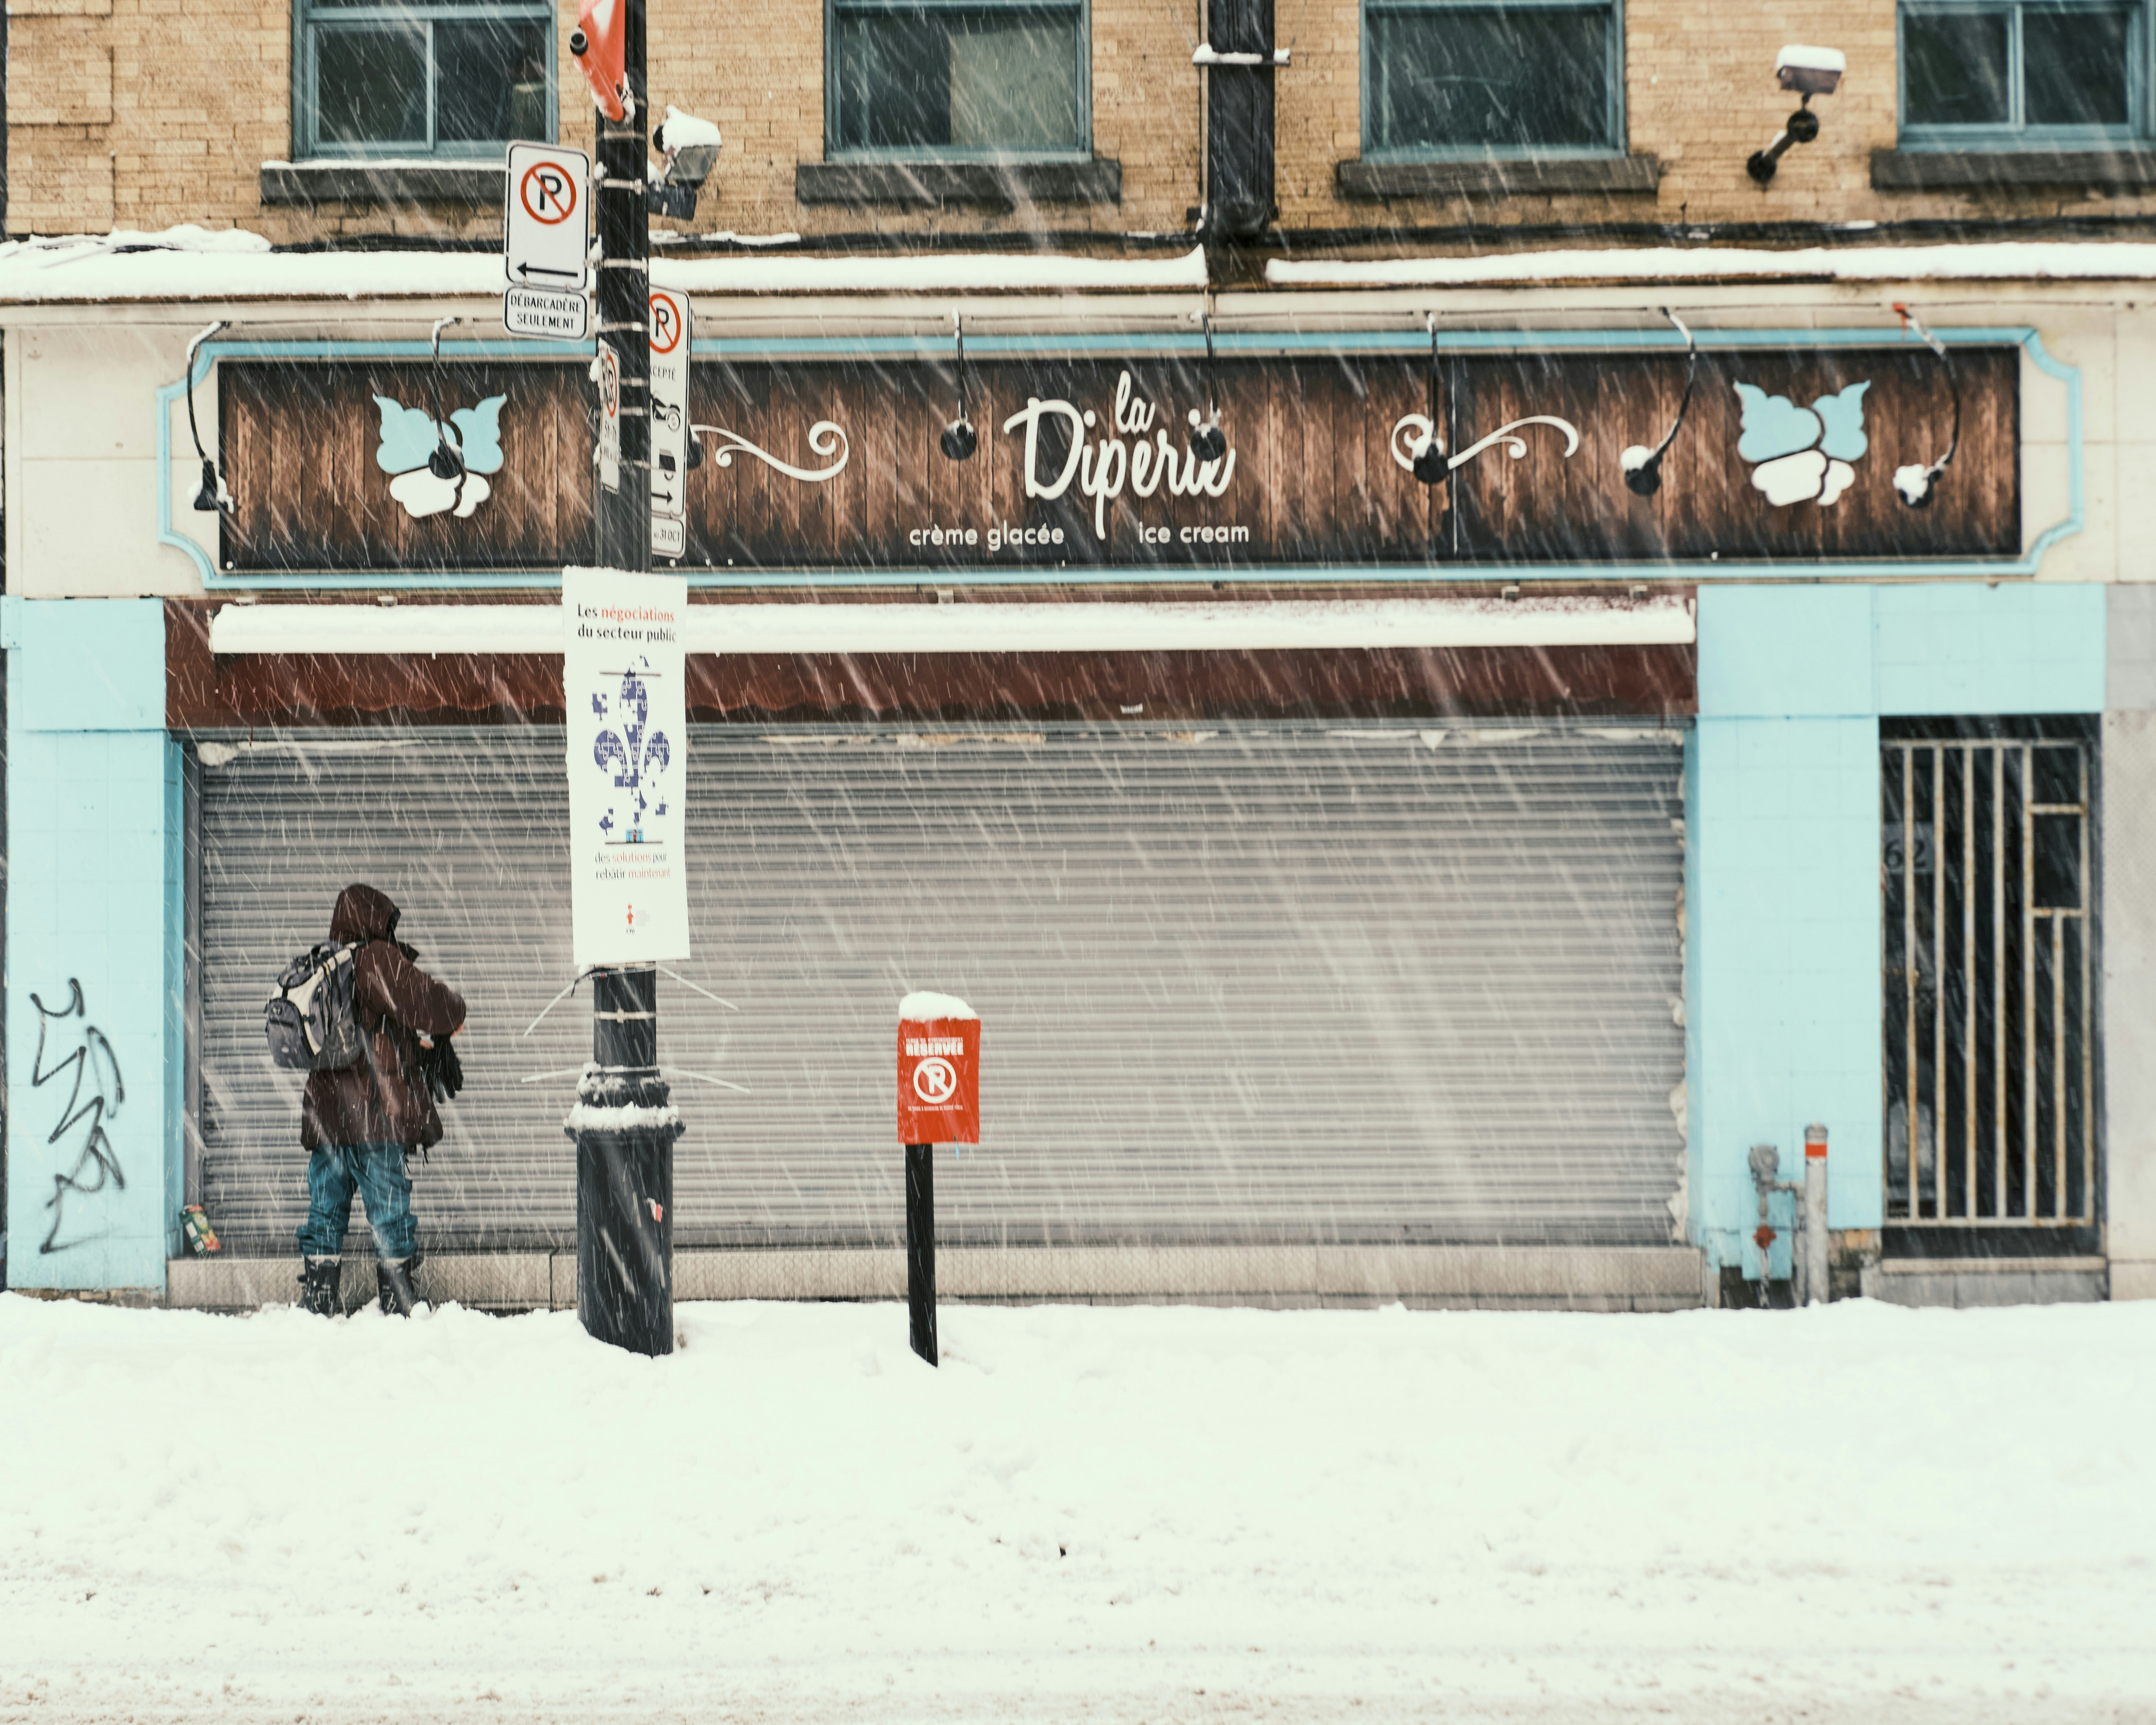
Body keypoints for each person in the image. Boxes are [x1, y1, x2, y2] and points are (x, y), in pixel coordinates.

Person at [296, 884, 465, 1318]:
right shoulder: (373, 959)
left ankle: (319, 1298)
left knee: (326, 1209)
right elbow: (427, 1002)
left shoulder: (328, 964)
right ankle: (398, 1297)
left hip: (327, 1115)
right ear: (374, 921)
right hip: (371, 1114)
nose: (390, 932)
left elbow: (369, 1027)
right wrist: (454, 1014)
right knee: (389, 1210)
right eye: (388, 923)